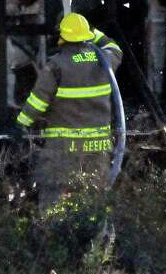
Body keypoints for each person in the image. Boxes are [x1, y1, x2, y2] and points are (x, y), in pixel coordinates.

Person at [15, 12, 123, 209]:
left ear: (62, 36)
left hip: (63, 148)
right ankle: (93, 236)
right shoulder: (105, 61)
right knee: (94, 196)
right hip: (98, 147)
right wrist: (93, 32)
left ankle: (55, 235)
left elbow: (38, 102)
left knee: (54, 195)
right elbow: (114, 47)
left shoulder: (56, 65)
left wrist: (21, 123)